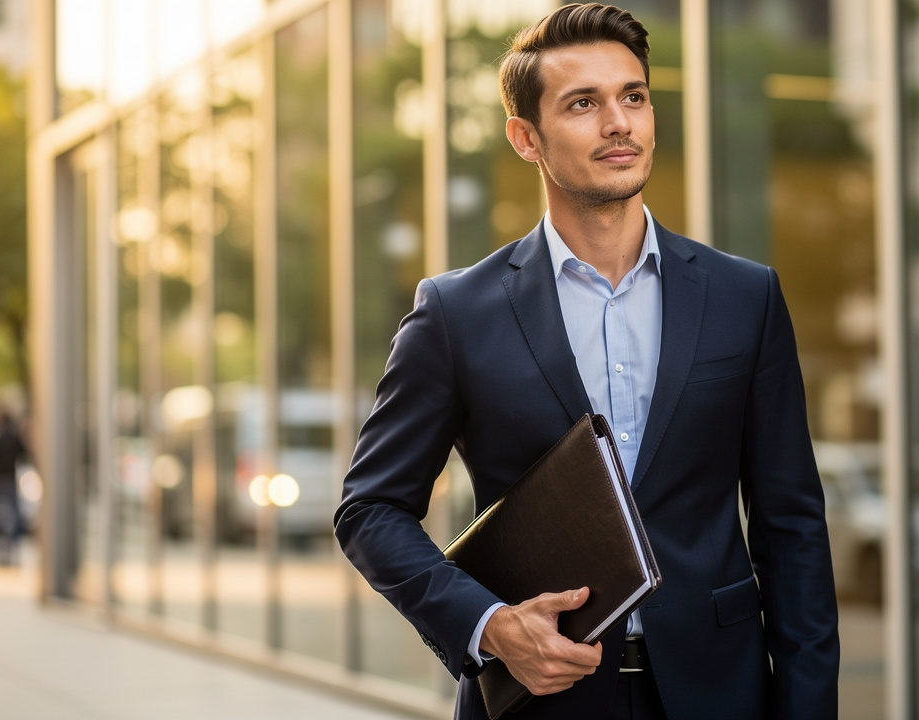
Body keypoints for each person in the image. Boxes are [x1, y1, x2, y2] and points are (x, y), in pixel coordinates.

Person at [335, 4, 839, 719]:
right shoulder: (456, 313)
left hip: (719, 693)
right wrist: (490, 627)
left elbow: (792, 528)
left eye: (633, 96)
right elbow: (371, 509)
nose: (618, 123)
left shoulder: (744, 297)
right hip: (540, 702)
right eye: (583, 104)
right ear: (525, 137)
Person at [0, 406, 27, 567]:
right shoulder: (14, 439)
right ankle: (15, 550)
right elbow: (24, 457)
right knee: (16, 515)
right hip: (10, 480)